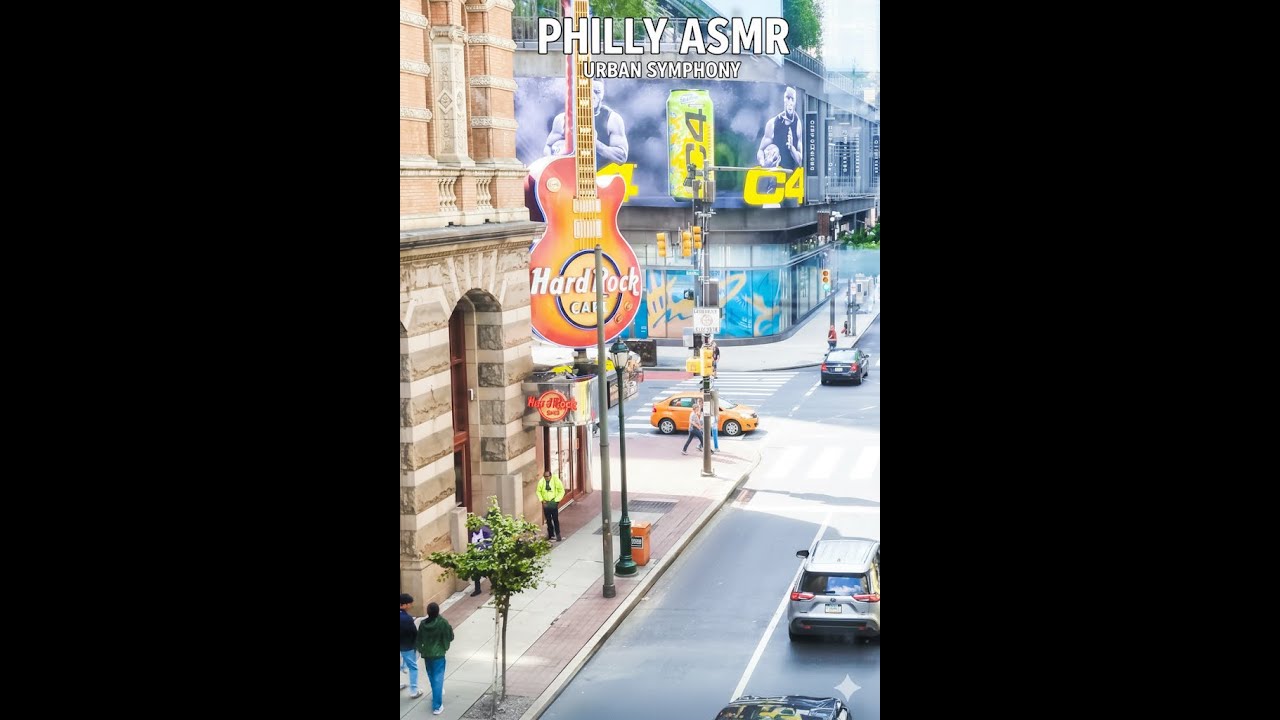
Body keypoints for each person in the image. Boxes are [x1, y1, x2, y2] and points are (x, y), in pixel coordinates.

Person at [544, 79, 629, 169]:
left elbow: (621, 157)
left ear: (603, 93)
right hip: (568, 173)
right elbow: (548, 146)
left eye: (597, 92)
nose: (592, 96)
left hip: (599, 175)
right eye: (587, 91)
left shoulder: (612, 119)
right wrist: (553, 165)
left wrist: (593, 143)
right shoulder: (562, 119)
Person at [415, 602, 455, 715]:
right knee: (438, 677)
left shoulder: (423, 624)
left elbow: (418, 639)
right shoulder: (442, 623)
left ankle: (437, 692)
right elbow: (450, 636)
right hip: (439, 654)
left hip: (427, 654)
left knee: (431, 675)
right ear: (438, 611)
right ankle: (437, 706)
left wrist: (421, 650)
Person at [757, 86, 802, 171]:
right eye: (788, 98)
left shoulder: (798, 125)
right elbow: (760, 151)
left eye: (792, 99)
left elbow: (800, 161)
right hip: (774, 175)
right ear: (783, 100)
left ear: (795, 102)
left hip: (792, 176)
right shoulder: (772, 124)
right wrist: (764, 163)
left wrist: (792, 148)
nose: (790, 102)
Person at [399, 593, 423, 698]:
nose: (411, 605)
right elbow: (414, 633)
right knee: (413, 667)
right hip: (406, 646)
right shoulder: (407, 619)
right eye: (410, 604)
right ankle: (414, 691)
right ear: (403, 605)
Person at [536, 469, 565, 541]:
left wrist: (556, 500)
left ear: (551, 476)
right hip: (546, 502)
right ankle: (551, 535)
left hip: (553, 501)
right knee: (548, 519)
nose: (546, 478)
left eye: (547, 476)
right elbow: (538, 491)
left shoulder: (556, 480)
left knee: (555, 519)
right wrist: (542, 500)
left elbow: (561, 491)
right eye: (545, 476)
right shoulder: (541, 481)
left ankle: (558, 535)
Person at [469, 524, 493, 596]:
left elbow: (490, 542)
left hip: (485, 555)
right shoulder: (472, 534)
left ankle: (495, 586)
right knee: (476, 573)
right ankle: (477, 589)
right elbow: (471, 545)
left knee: (489, 572)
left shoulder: (485, 532)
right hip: (476, 556)